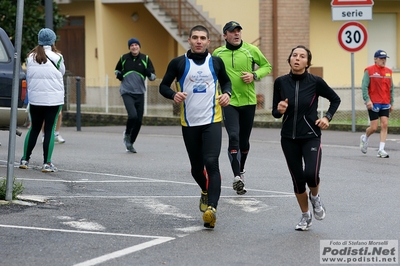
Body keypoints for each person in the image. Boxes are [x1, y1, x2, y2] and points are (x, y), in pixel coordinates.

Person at [159, 25, 232, 229]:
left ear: (209, 42)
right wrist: (173, 95)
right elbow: (163, 86)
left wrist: (227, 94)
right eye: (195, 38)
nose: (199, 41)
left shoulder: (216, 62)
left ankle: (212, 209)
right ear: (189, 41)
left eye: (203, 38)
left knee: (212, 163)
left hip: (212, 121)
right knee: (197, 169)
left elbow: (226, 83)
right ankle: (205, 190)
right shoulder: (178, 63)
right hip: (189, 123)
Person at [272, 45, 341, 231]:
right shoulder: (280, 82)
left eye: (302, 56)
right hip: (288, 138)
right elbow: (275, 112)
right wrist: (279, 110)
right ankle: (305, 215)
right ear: (289, 59)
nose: (297, 58)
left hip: (311, 135)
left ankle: (316, 199)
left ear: (307, 62)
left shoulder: (315, 82)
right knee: (297, 179)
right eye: (294, 55)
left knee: (311, 174)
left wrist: (327, 117)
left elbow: (335, 99)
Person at [213, 21, 272, 195]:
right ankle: (237, 176)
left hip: (248, 102)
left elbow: (267, 66)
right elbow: (211, 73)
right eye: (232, 32)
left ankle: (242, 170)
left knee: (244, 141)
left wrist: (254, 75)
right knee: (233, 136)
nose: (236, 34)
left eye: (238, 31)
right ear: (225, 35)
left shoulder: (250, 50)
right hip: (228, 102)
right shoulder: (217, 53)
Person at [19, 28, 65, 172]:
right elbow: (62, 72)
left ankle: (25, 159)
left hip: (35, 100)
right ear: (52, 41)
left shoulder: (30, 57)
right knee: (49, 129)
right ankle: (47, 163)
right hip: (53, 100)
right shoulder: (58, 57)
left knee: (34, 128)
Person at [115, 38, 156, 153]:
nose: (134, 47)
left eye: (136, 45)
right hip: (126, 91)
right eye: (132, 45)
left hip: (140, 92)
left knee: (138, 120)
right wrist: (119, 75)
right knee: (132, 115)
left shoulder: (145, 58)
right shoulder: (124, 58)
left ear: (139, 46)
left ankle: (130, 142)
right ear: (129, 47)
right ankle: (127, 133)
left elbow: (153, 77)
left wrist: (147, 71)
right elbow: (116, 70)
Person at [360, 50, 394, 158]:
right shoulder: (369, 71)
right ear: (375, 59)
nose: (383, 61)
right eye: (381, 58)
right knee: (374, 127)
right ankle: (365, 138)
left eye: (385, 59)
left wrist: (391, 102)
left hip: (385, 102)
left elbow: (391, 88)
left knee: (384, 124)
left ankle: (381, 150)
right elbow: (364, 86)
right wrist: (367, 100)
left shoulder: (389, 71)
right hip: (373, 102)